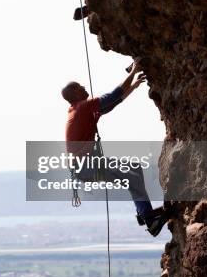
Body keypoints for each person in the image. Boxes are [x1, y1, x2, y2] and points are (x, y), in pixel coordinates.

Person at [62, 60, 169, 236]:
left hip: (86, 164)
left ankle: (144, 213)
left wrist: (132, 87)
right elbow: (111, 96)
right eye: (80, 86)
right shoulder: (82, 108)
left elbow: (110, 104)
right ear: (74, 92)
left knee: (134, 168)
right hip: (86, 165)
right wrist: (133, 71)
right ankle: (150, 220)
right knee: (131, 178)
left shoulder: (79, 110)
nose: (84, 87)